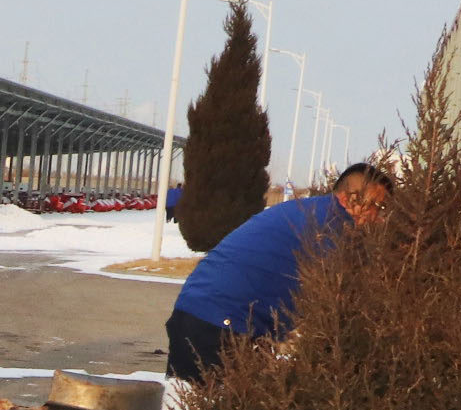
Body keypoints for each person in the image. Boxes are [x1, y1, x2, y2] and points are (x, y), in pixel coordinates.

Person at [165, 161, 392, 380]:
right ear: (348, 198)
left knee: (202, 407)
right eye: (377, 206)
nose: (380, 218)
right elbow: (337, 297)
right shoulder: (331, 226)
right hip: (220, 324)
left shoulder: (310, 211)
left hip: (201, 312)